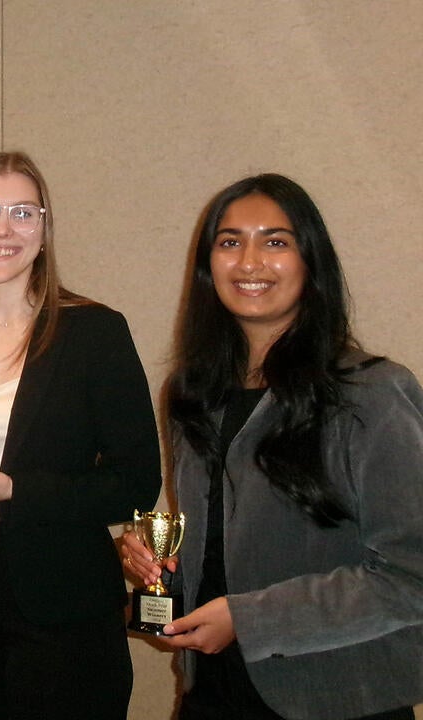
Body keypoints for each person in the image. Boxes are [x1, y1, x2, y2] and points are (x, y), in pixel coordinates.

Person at [120, 174, 423, 720]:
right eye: (230, 241)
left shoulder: (372, 392)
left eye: (276, 241)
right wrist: (168, 569)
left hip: (336, 698)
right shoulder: (192, 392)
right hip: (210, 693)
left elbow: (411, 574)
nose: (249, 261)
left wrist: (249, 619)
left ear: (312, 261)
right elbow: (224, 546)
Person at [0, 150, 162, 719]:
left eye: (22, 212)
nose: (1, 229)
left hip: (63, 602)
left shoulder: (94, 332)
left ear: (44, 230)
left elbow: (135, 483)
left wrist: (14, 489)